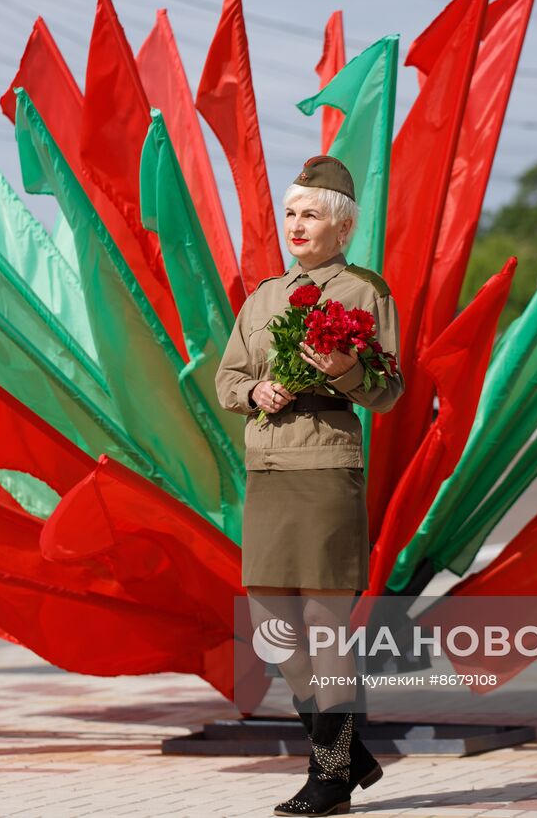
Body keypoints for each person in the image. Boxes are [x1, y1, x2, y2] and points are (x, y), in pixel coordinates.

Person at [216, 155, 405, 817]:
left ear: (343, 227)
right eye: (291, 213)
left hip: (326, 465)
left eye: (311, 214)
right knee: (271, 623)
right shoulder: (264, 296)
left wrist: (348, 370)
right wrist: (255, 388)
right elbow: (227, 377)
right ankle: (350, 751)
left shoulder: (364, 291)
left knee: (326, 627)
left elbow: (388, 391)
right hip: (267, 469)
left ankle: (328, 777)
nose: (296, 225)